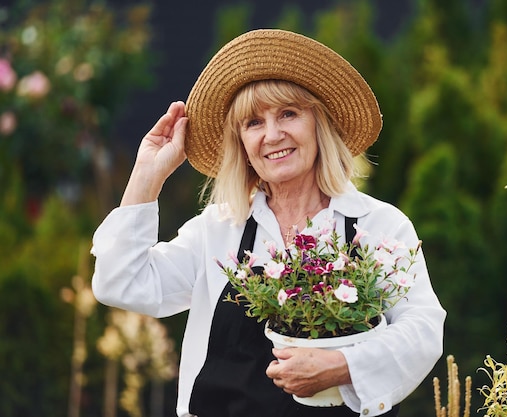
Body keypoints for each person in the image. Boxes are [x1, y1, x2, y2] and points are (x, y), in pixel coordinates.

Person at [91, 29, 446, 417]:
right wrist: (147, 174)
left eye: (288, 114)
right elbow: (122, 282)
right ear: (240, 142)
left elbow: (422, 330)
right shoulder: (219, 228)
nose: (273, 135)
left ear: (318, 124)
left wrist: (342, 366)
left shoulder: (377, 226)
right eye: (253, 122)